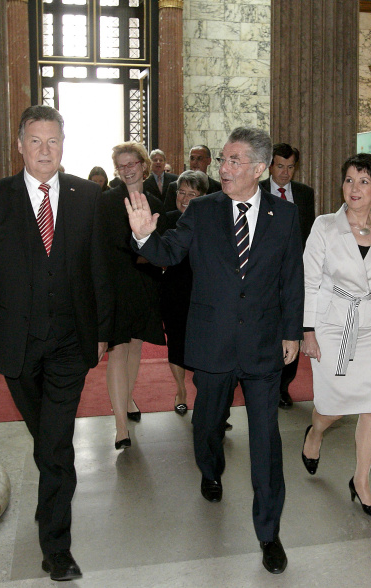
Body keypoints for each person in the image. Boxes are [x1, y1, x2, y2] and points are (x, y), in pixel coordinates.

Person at [125, 127, 304, 575]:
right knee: (207, 422)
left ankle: (269, 532)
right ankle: (209, 468)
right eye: (223, 160)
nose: (223, 168)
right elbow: (168, 252)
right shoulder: (203, 211)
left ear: (259, 170)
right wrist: (146, 236)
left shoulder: (285, 216)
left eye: (234, 161)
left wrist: (292, 331)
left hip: (263, 343)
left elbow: (291, 278)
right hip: (212, 339)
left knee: (266, 440)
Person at [0, 105, 111, 582]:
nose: (45, 151)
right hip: (16, 343)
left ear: (63, 145)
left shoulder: (87, 196)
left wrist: (104, 330)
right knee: (46, 439)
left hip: (70, 341)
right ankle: (52, 497)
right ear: (19, 144)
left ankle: (56, 545)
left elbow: (100, 271)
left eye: (53, 141)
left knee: (56, 441)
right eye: (35, 141)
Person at [300, 153, 371, 519]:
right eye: (349, 180)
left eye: (364, 181)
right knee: (332, 406)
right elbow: (310, 282)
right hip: (333, 326)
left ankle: (361, 481)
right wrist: (308, 330)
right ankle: (315, 434)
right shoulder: (325, 227)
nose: (354, 188)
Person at [100, 142, 166, 449]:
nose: (127, 170)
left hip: (146, 282)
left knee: (137, 343)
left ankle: (127, 400)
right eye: (121, 166)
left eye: (131, 164)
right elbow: (106, 247)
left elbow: (161, 242)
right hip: (117, 282)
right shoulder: (107, 201)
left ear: (143, 165)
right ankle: (120, 427)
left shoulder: (155, 200)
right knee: (119, 348)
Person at [259, 142, 316, 408]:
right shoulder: (257, 191)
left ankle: (284, 386)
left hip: (296, 272)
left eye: (290, 167)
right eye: (280, 166)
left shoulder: (304, 194)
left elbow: (309, 235)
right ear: (270, 166)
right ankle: (265, 380)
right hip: (264, 273)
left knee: (292, 327)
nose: (284, 173)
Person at [158, 170, 208, 415]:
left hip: (203, 293)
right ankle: (180, 390)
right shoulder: (166, 220)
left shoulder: (210, 221)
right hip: (174, 291)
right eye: (182, 192)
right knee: (176, 344)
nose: (185, 198)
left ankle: (207, 401)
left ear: (203, 196)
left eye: (193, 193)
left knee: (203, 346)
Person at [163, 144, 222, 211]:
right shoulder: (174, 186)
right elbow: (167, 214)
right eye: (192, 158)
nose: (195, 162)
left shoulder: (218, 188)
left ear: (209, 161)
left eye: (199, 158)